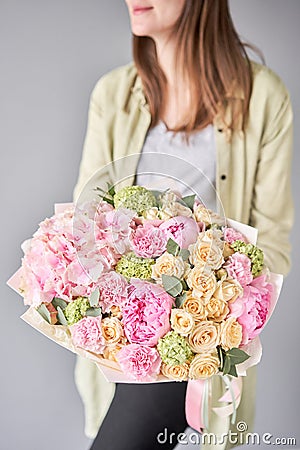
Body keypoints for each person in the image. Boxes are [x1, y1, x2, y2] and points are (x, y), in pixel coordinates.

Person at [73, 1, 294, 449]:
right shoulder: (112, 94)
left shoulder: (263, 96)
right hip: (120, 342)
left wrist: (205, 325)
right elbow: (83, 223)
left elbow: (270, 242)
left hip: (199, 341)